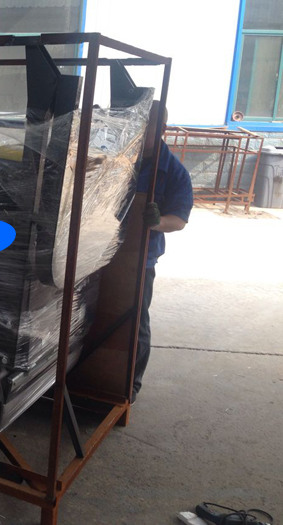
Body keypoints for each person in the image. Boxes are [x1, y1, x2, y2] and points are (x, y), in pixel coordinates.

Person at [133, 102, 193, 403]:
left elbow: (179, 220)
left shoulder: (175, 172)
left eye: (148, 126)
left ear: (162, 129)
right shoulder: (120, 157)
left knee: (134, 321)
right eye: (138, 124)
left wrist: (157, 222)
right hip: (103, 252)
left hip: (139, 259)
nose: (141, 131)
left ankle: (130, 385)